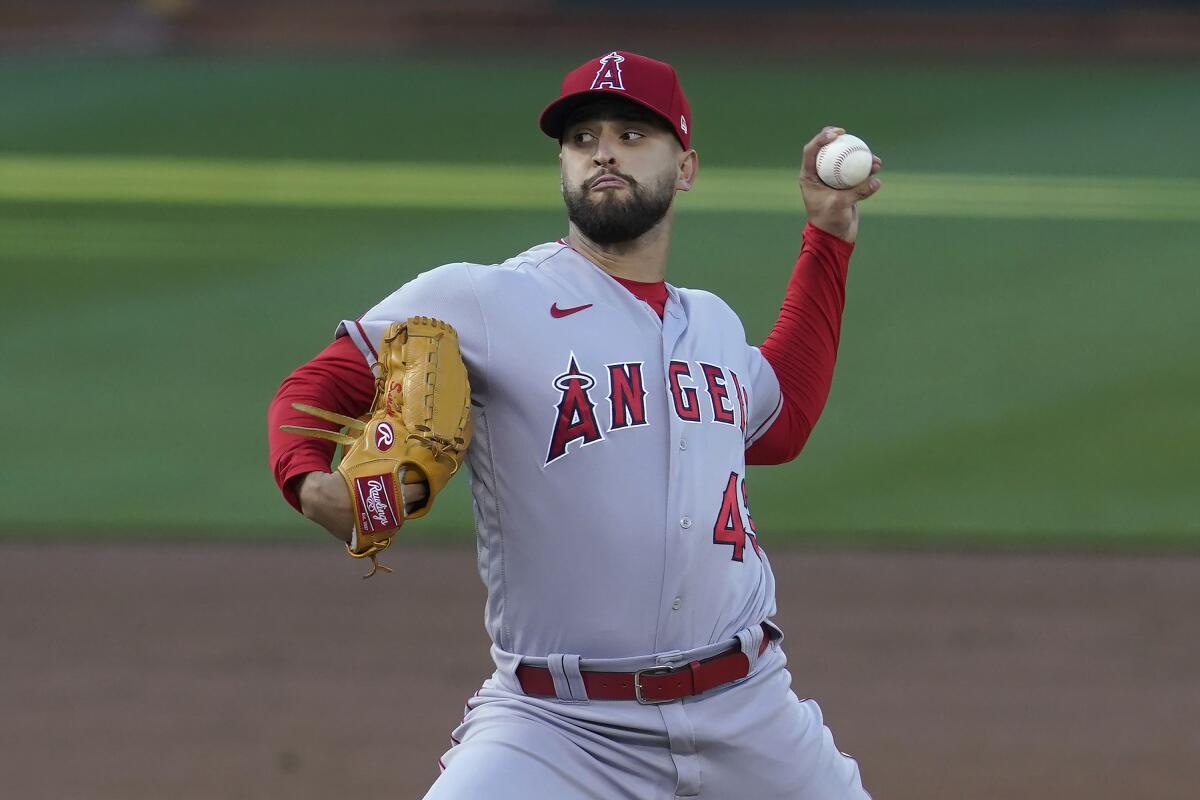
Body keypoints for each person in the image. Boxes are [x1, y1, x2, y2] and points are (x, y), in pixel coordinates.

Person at [268, 50, 880, 800]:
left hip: (750, 715)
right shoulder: (485, 300)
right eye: (583, 138)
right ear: (563, 165)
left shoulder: (713, 323)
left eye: (632, 134)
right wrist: (308, 481)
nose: (605, 153)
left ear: (685, 167)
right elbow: (314, 387)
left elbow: (783, 418)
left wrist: (829, 233)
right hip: (558, 727)